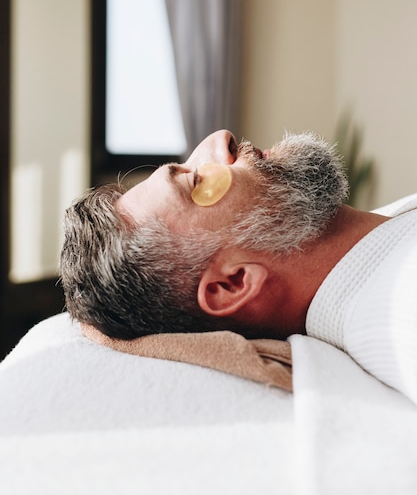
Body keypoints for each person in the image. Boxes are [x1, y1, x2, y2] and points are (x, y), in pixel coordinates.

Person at [60, 129, 417, 403]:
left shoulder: (384, 238)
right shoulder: (401, 308)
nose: (220, 139)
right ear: (233, 283)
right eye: (195, 180)